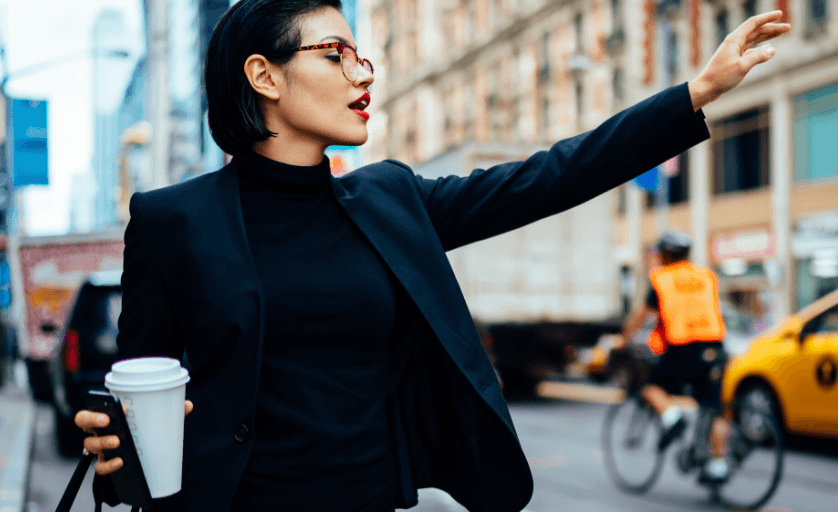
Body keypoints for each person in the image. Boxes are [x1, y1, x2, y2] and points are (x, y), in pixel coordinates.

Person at [72, 0, 790, 509]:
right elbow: (137, 384)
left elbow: (551, 175)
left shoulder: (391, 198)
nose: (363, 74)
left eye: (361, 55)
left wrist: (695, 94)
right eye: (335, 55)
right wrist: (115, 447)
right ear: (264, 76)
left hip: (373, 499)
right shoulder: (172, 220)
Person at [618, 230, 732, 481]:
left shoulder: (662, 279)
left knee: (650, 388)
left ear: (666, 254)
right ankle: (718, 465)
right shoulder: (706, 276)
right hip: (715, 347)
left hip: (683, 349)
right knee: (714, 408)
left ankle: (673, 419)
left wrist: (622, 339)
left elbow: (641, 315)